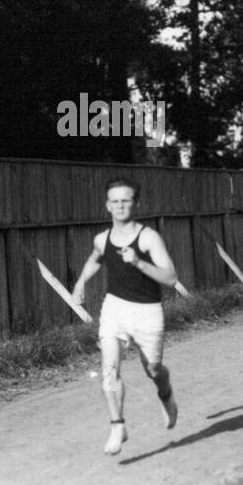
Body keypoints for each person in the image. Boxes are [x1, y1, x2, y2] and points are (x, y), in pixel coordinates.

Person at [72, 178, 180, 455]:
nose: (120, 205)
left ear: (136, 203)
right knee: (109, 368)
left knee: (153, 370)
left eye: (126, 200)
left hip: (147, 311)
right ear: (107, 205)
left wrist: (138, 262)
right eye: (115, 201)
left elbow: (170, 278)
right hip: (115, 307)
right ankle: (118, 425)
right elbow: (95, 258)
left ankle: (165, 395)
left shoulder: (148, 237)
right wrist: (80, 283)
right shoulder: (102, 239)